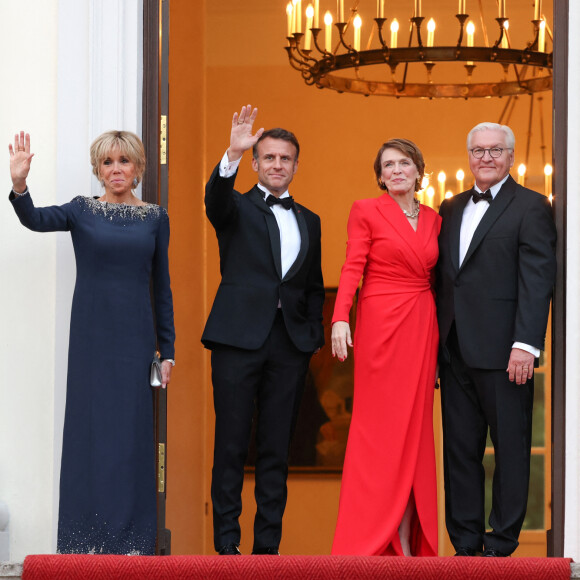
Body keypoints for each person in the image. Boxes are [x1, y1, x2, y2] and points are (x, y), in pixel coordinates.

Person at [8, 130, 175, 555]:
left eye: (124, 161)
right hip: (91, 341)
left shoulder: (156, 217)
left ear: (138, 167)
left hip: (136, 344)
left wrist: (167, 351)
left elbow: (162, 289)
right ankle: (84, 545)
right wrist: (20, 185)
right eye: (107, 162)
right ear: (97, 169)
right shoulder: (82, 211)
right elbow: (35, 219)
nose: (115, 169)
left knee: (131, 440)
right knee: (90, 435)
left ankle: (133, 545)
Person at [202, 105, 324, 556]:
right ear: (255, 163)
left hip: (289, 346)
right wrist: (230, 155)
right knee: (232, 443)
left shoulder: (309, 220)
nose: (276, 165)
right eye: (268, 157)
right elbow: (214, 198)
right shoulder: (233, 205)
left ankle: (267, 551)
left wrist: (310, 337)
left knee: (277, 450)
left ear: (295, 164)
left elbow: (312, 286)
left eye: (284, 158)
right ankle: (228, 548)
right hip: (237, 340)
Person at [436, 122, 556, 557]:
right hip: (454, 352)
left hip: (506, 353)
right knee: (460, 453)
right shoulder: (449, 208)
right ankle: (465, 545)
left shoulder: (531, 207)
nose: (485, 158)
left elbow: (537, 278)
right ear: (469, 157)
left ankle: (501, 542)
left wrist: (526, 343)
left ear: (510, 155)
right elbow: (443, 281)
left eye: (495, 151)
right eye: (478, 151)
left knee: (509, 450)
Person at [331, 139, 440, 556]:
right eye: (388, 165)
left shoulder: (434, 219)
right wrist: (341, 316)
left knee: (415, 436)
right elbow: (352, 265)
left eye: (404, 163)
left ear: (418, 171)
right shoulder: (366, 210)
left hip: (421, 323)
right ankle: (371, 539)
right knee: (379, 433)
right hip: (380, 322)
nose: (396, 170)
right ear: (380, 175)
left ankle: (409, 542)